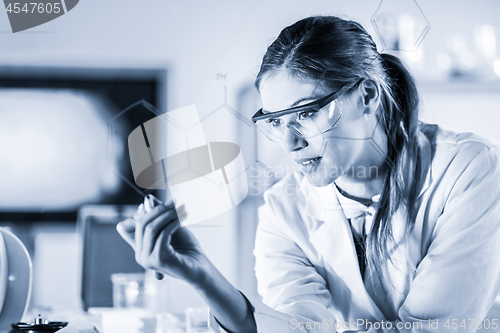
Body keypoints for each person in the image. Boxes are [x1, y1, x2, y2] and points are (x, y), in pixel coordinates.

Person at [117, 16, 500, 332]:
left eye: (306, 113)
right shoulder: (284, 209)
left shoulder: (469, 169)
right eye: (275, 121)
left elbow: (437, 329)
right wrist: (202, 275)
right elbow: (294, 327)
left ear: (367, 95)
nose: (290, 143)